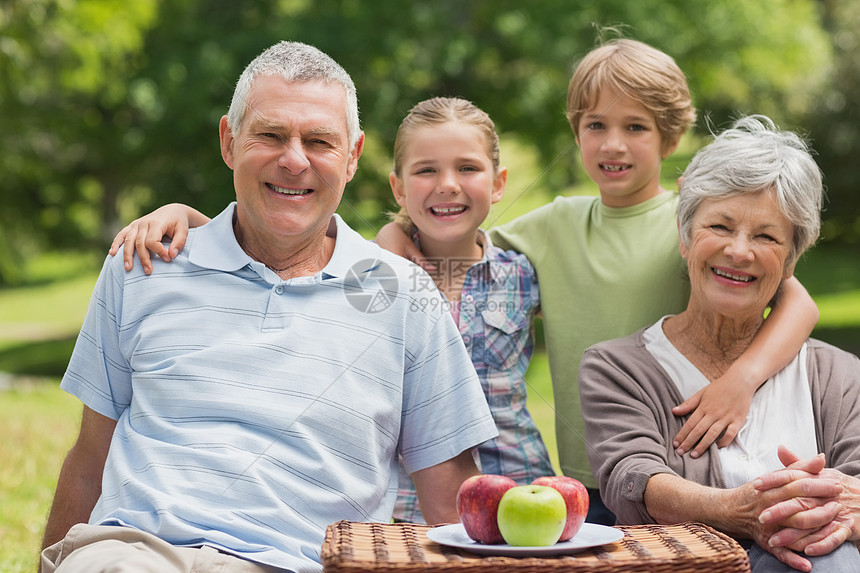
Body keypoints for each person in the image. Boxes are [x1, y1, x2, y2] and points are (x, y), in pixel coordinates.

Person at [39, 41, 498, 573]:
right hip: (133, 554)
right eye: (271, 134)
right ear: (229, 142)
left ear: (352, 157)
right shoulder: (142, 266)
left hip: (300, 563)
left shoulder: (407, 299)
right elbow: (89, 457)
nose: (294, 159)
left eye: (320, 141)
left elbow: (449, 499)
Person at [374, 38, 820, 524]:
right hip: (580, 477)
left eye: (635, 127)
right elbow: (449, 236)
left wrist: (741, 380)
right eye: (595, 125)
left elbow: (800, 305)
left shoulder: (697, 228)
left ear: (669, 138)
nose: (613, 143)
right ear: (577, 132)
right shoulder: (552, 226)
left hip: (674, 465)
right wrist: (393, 236)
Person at [109, 96, 556, 524]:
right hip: (414, 503)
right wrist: (183, 214)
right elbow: (262, 257)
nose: (448, 184)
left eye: (468, 168)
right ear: (398, 189)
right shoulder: (373, 271)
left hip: (522, 482)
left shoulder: (521, 274)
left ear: (498, 185)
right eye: (426, 170)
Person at [579, 115, 860, 572]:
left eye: (766, 236)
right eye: (721, 227)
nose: (739, 251)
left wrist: (828, 511)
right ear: (686, 237)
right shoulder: (616, 368)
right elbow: (633, 481)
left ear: (791, 260)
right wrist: (744, 510)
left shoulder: (839, 375)